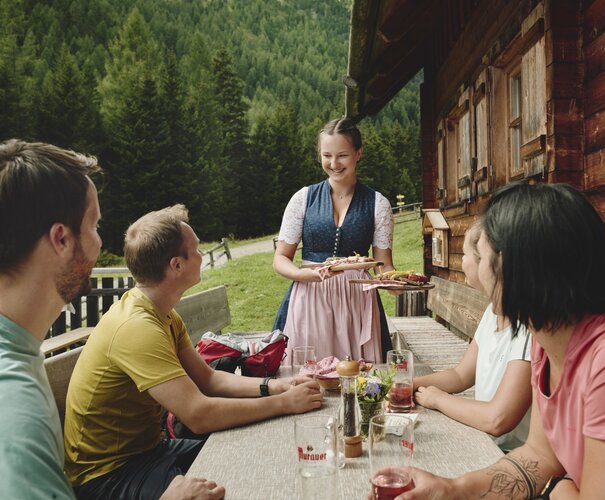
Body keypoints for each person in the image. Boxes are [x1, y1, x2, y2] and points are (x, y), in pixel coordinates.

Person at [391, 182, 605, 499]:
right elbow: (537, 459)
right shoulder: (547, 343)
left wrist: (557, 488)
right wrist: (452, 489)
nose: (477, 270)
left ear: (513, 267)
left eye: (481, 257)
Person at [0, 140, 222, 500]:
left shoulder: (19, 353)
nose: (100, 242)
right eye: (94, 225)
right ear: (61, 239)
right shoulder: (13, 404)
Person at [64, 205, 322, 499]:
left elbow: (209, 379)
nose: (201, 255)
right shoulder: (137, 327)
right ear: (176, 265)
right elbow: (199, 415)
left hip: (150, 452)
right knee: (237, 482)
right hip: (108, 475)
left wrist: (277, 386)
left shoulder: (163, 313)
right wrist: (285, 403)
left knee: (258, 451)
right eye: (197, 249)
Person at [272, 117, 395, 362]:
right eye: (326, 155)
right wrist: (302, 275)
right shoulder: (302, 199)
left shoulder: (378, 204)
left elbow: (384, 265)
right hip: (309, 300)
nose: (334, 164)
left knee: (360, 378)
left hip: (357, 303)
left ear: (358, 153)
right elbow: (280, 258)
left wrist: (396, 284)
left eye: (342, 156)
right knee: (307, 377)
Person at [413, 220, 532, 451]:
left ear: (488, 263)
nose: (462, 261)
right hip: (485, 440)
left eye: (466, 254)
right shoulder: (491, 312)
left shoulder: (529, 327)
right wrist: (408, 385)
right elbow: (460, 376)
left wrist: (439, 399)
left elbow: (497, 420)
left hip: (512, 455)